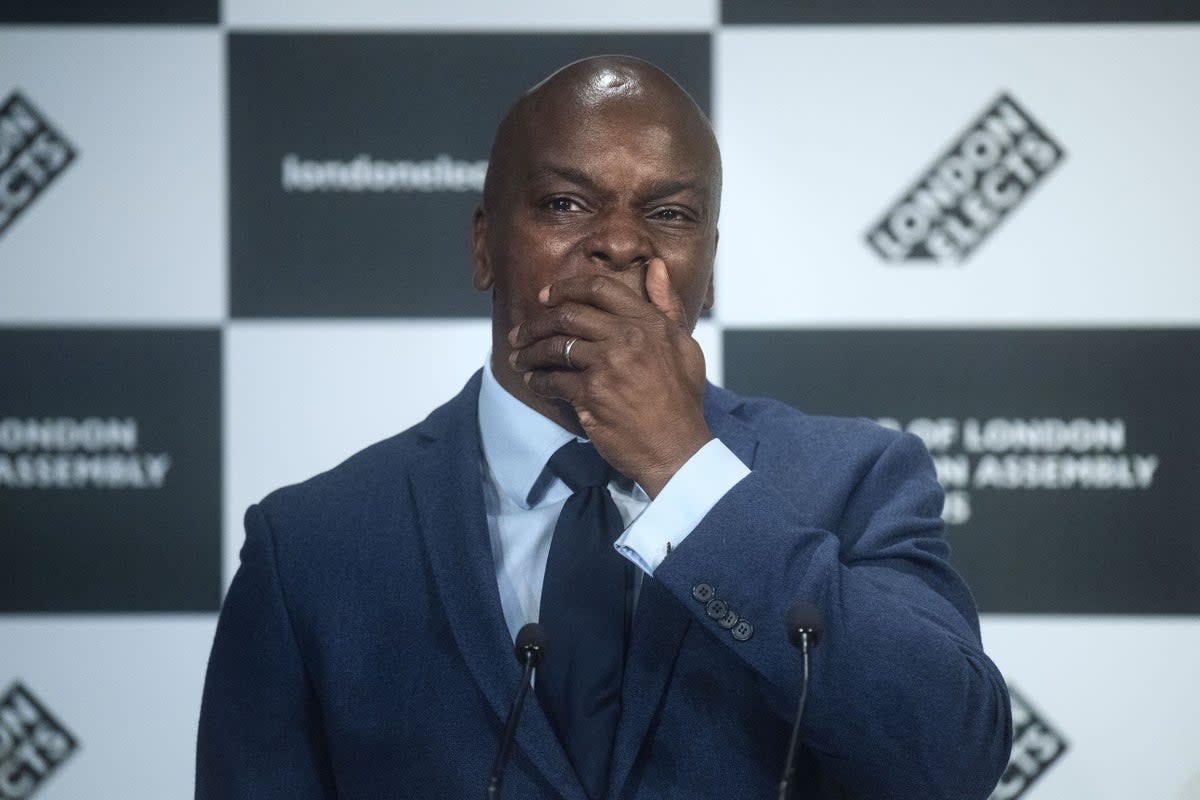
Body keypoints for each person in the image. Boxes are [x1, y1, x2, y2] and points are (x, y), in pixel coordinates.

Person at [196, 55, 1012, 799]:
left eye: (669, 213)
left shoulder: (856, 482)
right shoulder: (311, 547)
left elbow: (951, 760)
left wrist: (683, 467)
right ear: (484, 246)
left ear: (709, 268)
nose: (620, 242)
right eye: (564, 203)